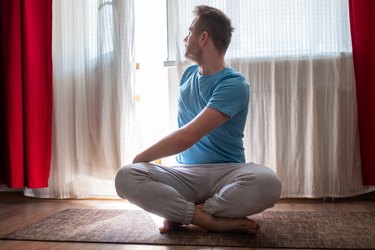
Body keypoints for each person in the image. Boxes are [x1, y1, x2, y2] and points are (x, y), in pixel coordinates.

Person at [115, 5, 281, 234]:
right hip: (185, 174)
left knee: (268, 183)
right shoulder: (188, 76)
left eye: (190, 32)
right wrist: (137, 166)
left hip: (227, 173)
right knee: (125, 176)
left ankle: (187, 212)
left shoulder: (233, 84)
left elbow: (187, 136)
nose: (185, 38)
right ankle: (207, 218)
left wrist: (141, 157)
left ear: (203, 37)